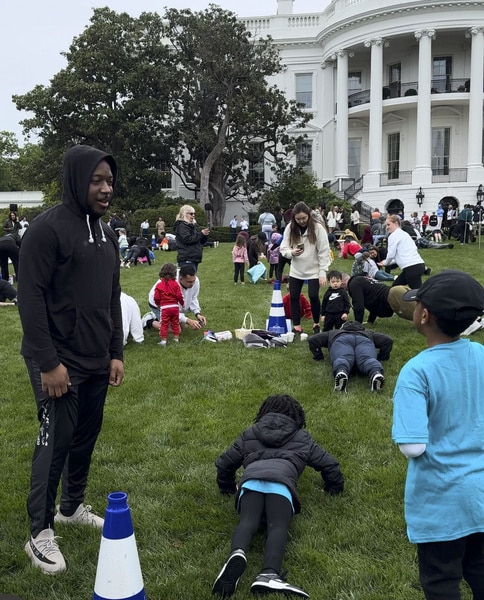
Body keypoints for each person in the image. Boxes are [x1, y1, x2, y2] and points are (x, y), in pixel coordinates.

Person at [17, 145, 124, 575]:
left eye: (109, 182)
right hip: (57, 359)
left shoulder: (109, 234)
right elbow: (30, 298)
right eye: (97, 181)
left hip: (97, 357)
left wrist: (115, 352)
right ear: (77, 180)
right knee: (55, 439)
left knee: (85, 436)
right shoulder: (47, 230)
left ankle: (71, 507)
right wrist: (48, 363)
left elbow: (112, 298)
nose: (105, 189)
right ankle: (39, 532)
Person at [392, 271, 484, 600]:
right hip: (481, 497)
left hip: (441, 503)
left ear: (424, 315)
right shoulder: (481, 356)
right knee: (480, 570)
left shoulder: (417, 371)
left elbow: (413, 446)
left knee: (441, 582)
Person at [212, 394, 344, 598]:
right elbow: (329, 464)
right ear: (297, 416)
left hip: (251, 482)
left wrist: (227, 487)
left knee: (247, 522)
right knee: (277, 526)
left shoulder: (251, 433)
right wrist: (333, 488)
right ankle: (269, 573)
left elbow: (225, 463)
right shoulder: (302, 437)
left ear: (264, 413)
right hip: (281, 486)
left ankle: (236, 553)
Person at [280, 201, 331, 335]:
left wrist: (322, 272)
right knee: (294, 296)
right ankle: (297, 326)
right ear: (294, 218)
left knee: (314, 296)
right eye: (298, 219)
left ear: (309, 215)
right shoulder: (290, 228)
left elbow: (324, 251)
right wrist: (291, 253)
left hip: (314, 269)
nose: (301, 221)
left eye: (304, 218)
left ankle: (315, 324)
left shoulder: (318, 228)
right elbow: (283, 248)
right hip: (296, 269)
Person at [309, 320, 392, 392]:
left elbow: (313, 340)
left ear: (342, 328)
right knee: (368, 359)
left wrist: (319, 356)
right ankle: (376, 372)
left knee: (343, 358)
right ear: (362, 328)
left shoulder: (334, 332)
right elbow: (388, 340)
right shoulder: (368, 333)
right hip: (364, 340)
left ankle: (341, 371)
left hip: (341, 340)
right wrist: (382, 357)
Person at [144, 264, 207, 331]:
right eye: (189, 282)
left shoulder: (195, 281)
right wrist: (189, 321)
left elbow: (193, 298)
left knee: (184, 326)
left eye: (193, 280)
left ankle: (157, 318)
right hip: (157, 305)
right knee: (176, 330)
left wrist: (197, 314)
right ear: (181, 279)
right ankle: (148, 321)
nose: (192, 284)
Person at [378, 215, 426, 289]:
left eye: (388, 225)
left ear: (396, 223)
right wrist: (385, 262)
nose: (387, 227)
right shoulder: (404, 234)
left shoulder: (393, 236)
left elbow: (391, 254)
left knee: (417, 294)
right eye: (386, 225)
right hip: (417, 266)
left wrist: (386, 263)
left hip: (411, 268)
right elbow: (400, 256)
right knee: (394, 288)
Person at [347, 274, 415, 324]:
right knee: (421, 306)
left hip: (394, 296)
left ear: (342, 282)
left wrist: (357, 324)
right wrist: (370, 321)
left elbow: (358, 306)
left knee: (418, 314)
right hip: (398, 290)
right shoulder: (362, 279)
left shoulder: (354, 283)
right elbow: (373, 303)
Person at [154, 262, 184, 346]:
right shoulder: (176, 284)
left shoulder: (159, 285)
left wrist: (158, 304)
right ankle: (176, 339)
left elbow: (156, 297)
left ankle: (163, 341)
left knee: (164, 324)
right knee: (175, 322)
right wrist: (182, 303)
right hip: (175, 307)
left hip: (165, 307)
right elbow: (179, 295)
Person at [174, 205, 210, 271]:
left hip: (193, 258)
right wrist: (201, 234)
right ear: (184, 214)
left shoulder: (191, 226)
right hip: (187, 258)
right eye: (191, 213)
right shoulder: (182, 226)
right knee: (188, 280)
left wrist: (204, 235)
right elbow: (187, 239)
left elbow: (199, 241)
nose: (193, 215)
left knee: (192, 279)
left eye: (194, 213)